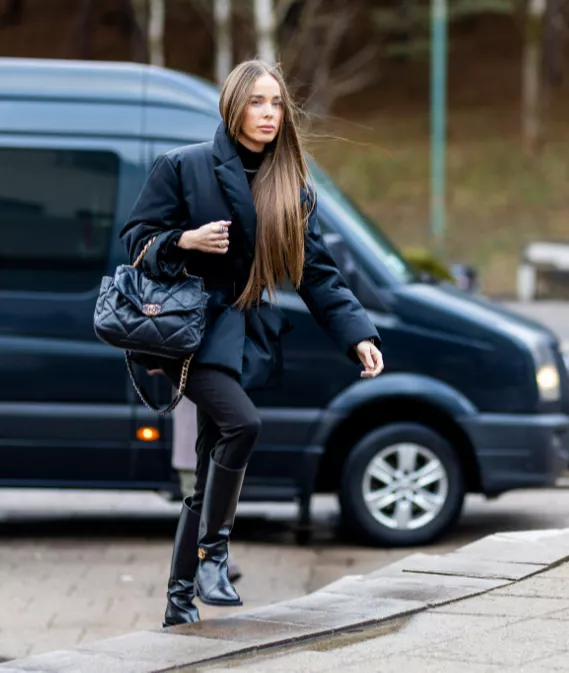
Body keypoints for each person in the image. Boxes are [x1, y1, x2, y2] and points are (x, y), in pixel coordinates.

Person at [120, 59, 384, 627]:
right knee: (244, 425)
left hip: (243, 337)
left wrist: (358, 334)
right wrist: (184, 240)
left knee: (209, 457)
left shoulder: (291, 184)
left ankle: (178, 601)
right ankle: (214, 556)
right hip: (190, 333)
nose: (269, 113)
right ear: (234, 106)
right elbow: (137, 242)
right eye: (257, 102)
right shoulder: (184, 166)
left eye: (277, 103)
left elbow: (318, 274)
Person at [171, 394, 241, 584]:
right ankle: (212, 563)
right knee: (202, 506)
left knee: (205, 506)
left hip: (207, 442)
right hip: (199, 443)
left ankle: (208, 564)